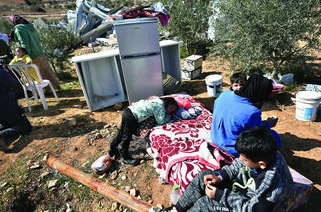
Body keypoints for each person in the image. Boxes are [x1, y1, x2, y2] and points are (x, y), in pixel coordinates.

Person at [160, 127, 293, 212]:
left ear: (261, 164)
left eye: (245, 160)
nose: (241, 161)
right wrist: (220, 176)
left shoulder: (273, 188)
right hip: (241, 191)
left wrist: (220, 195)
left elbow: (252, 209)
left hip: (250, 205)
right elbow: (238, 165)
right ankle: (176, 210)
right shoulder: (261, 156)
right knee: (203, 177)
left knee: (207, 203)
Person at [211, 72, 280, 157]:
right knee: (274, 137)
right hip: (232, 150)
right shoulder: (252, 112)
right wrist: (269, 124)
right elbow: (256, 134)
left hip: (215, 138)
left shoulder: (224, 94)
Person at [108, 96, 179, 165]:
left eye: (172, 111)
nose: (169, 111)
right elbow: (160, 121)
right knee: (127, 136)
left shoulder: (156, 100)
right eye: (171, 108)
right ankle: (125, 157)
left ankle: (112, 149)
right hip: (132, 116)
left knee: (121, 133)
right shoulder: (160, 106)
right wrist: (169, 117)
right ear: (168, 103)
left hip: (128, 111)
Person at [9, 14, 61, 92]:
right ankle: (53, 88)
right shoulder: (30, 27)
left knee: (35, 74)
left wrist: (24, 55)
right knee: (46, 72)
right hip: (39, 52)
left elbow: (24, 44)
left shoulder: (19, 30)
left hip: (31, 55)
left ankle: (42, 92)